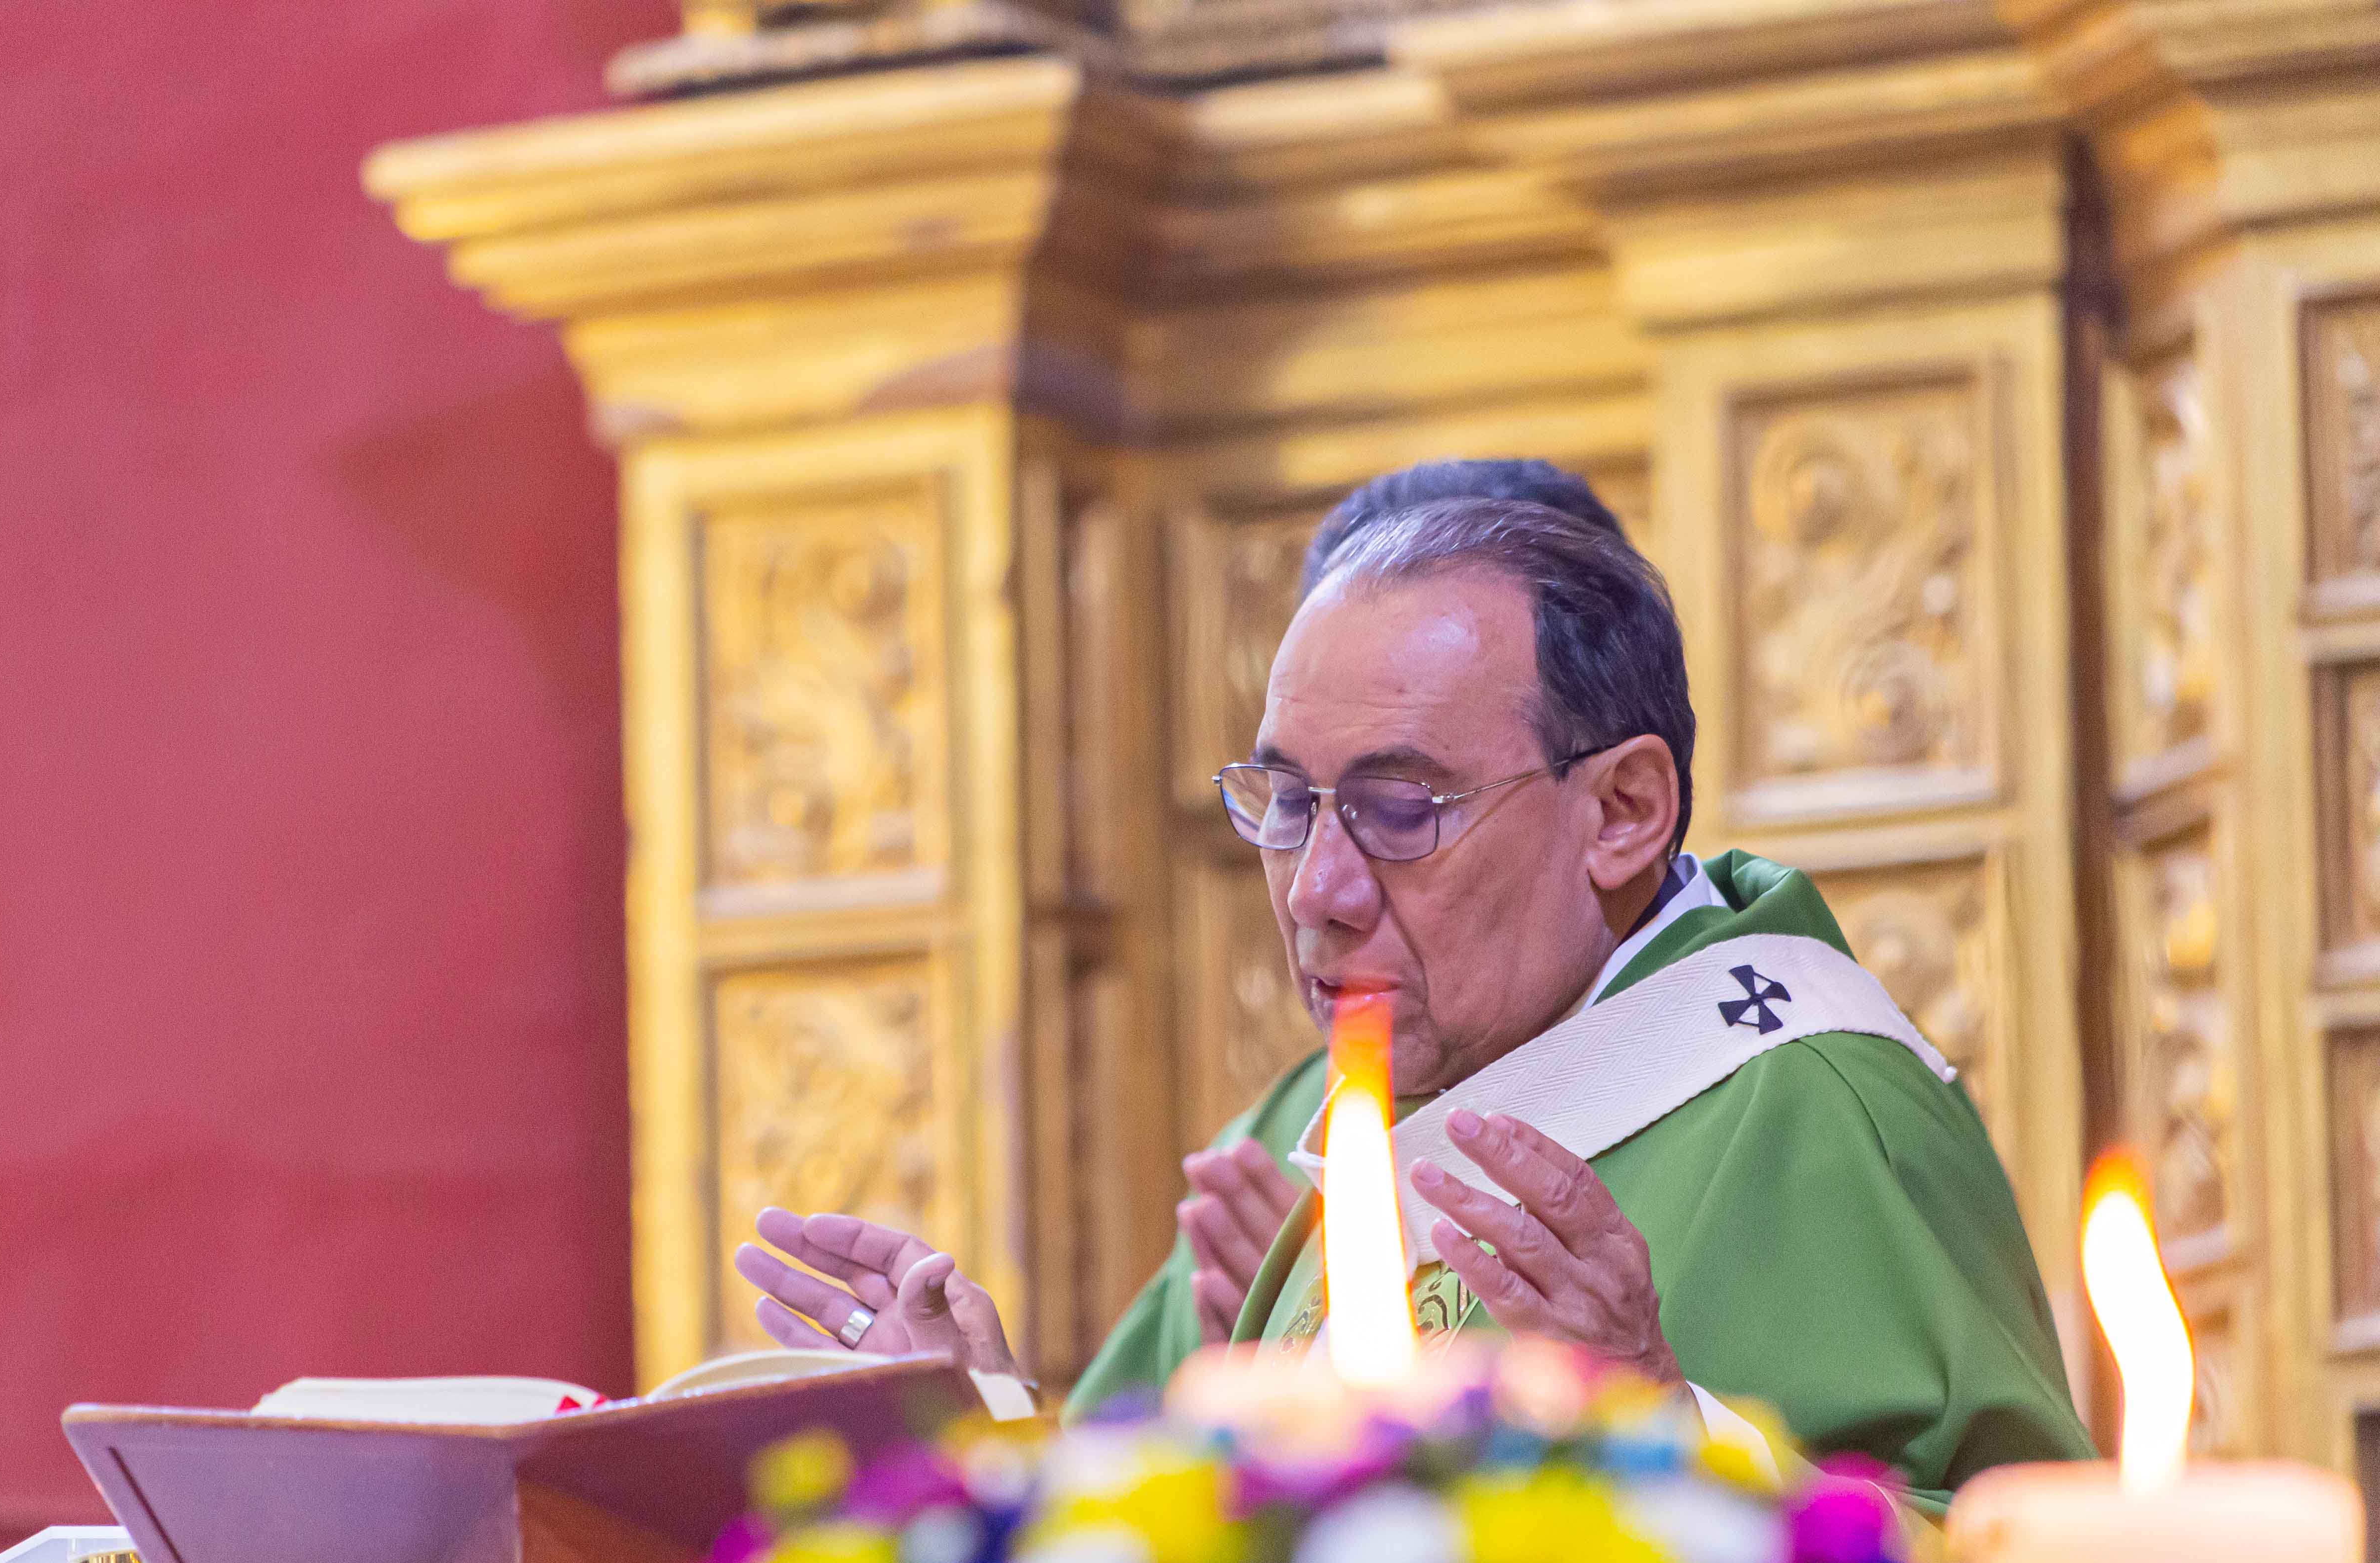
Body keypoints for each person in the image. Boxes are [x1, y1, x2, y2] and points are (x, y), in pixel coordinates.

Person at [732, 465, 2093, 1507]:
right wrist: (974, 1428)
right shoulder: (1332, 1111)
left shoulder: (1807, 1090)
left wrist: (1674, 1436)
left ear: (1622, 809)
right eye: (1286, 803)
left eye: (1400, 806)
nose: (1315, 887)